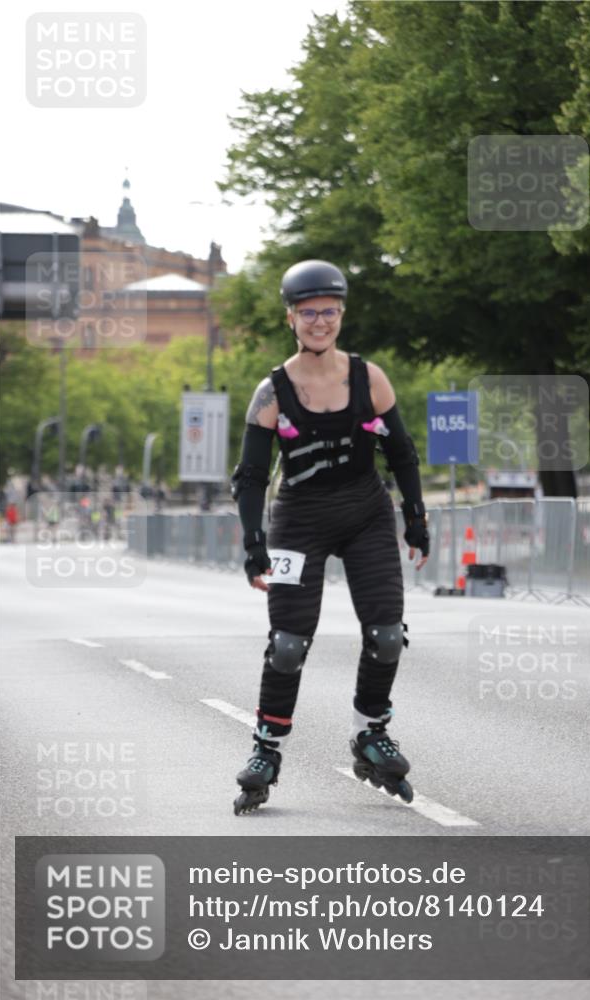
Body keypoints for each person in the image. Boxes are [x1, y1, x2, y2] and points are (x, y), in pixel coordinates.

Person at [230, 260, 430, 815]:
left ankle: (370, 730)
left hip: (366, 514)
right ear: (291, 317)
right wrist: (253, 546)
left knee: (387, 633)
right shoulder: (271, 392)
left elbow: (402, 453)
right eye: (309, 312)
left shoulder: (370, 379)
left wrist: (415, 519)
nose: (321, 321)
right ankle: (266, 750)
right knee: (290, 645)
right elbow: (249, 478)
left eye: (331, 311)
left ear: (342, 314)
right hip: (299, 520)